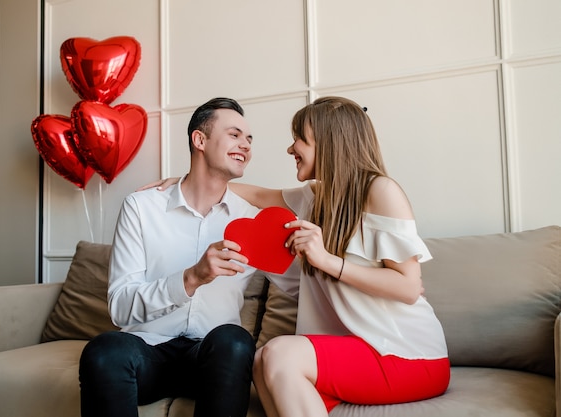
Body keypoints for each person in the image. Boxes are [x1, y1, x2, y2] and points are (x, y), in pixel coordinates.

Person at [147, 96, 450, 416]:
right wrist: (186, 184)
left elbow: (407, 287)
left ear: (329, 143)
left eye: (299, 140)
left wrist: (326, 260)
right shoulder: (314, 197)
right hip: (356, 352)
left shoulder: (381, 191)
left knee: (279, 354)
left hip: (407, 354)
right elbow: (259, 194)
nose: (291, 149)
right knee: (262, 360)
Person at [79, 97, 264, 417]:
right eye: (235, 134)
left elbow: (298, 285)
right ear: (200, 140)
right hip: (148, 355)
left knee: (235, 341)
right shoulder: (142, 207)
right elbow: (120, 308)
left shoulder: (253, 222)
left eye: (249, 138)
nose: (245, 144)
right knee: (104, 350)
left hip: (214, 362)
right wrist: (190, 278)